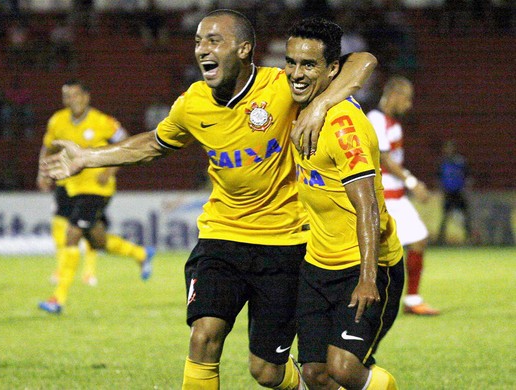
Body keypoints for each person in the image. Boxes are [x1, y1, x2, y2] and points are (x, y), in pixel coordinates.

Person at [41, 9, 376, 389]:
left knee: (265, 372)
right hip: (222, 239)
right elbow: (154, 143)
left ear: (245, 49)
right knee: (203, 336)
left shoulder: (281, 85)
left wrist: (321, 104)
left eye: (214, 40)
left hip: (284, 245)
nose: (203, 49)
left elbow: (363, 61)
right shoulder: (193, 103)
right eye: (199, 41)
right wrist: (87, 158)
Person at [287, 17, 403, 389]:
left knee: (345, 369)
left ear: (332, 69)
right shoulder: (292, 100)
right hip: (318, 265)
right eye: (291, 62)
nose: (296, 73)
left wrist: (369, 279)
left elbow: (367, 206)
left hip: (366, 266)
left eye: (308, 65)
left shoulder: (343, 126)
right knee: (315, 374)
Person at [37, 79, 156, 315]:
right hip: (69, 186)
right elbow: (48, 147)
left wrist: (111, 169)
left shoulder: (103, 122)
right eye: (67, 96)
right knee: (96, 240)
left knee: (72, 236)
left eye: (75, 95)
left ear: (86, 97)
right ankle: (140, 253)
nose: (71, 100)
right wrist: (43, 172)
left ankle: (57, 298)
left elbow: (127, 143)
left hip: (96, 190)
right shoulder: (57, 120)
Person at [367, 76, 440, 316]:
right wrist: (411, 181)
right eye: (407, 99)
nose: (409, 105)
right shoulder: (376, 119)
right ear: (395, 95)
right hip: (383, 196)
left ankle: (412, 299)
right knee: (371, 252)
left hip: (397, 197)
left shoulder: (391, 123)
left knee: (418, 239)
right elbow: (384, 158)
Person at [436, 139, 473, 245]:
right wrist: (441, 190)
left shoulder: (461, 161)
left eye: (450, 147)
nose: (448, 150)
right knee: (445, 216)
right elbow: (438, 177)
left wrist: (466, 189)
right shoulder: (442, 162)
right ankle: (440, 239)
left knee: (465, 216)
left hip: (459, 192)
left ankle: (469, 238)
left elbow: (467, 176)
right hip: (448, 193)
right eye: (447, 148)